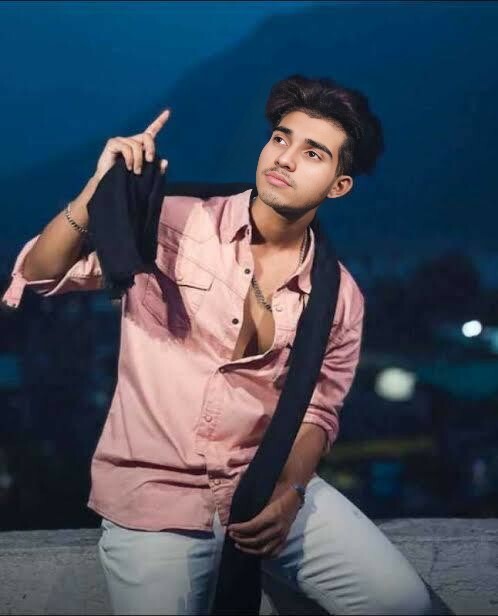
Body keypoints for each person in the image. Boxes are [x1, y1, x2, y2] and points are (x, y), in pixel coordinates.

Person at [1, 75, 432, 615]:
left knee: (403, 603)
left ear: (338, 186)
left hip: (263, 483)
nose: (285, 158)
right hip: (156, 495)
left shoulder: (338, 295)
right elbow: (40, 274)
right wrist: (96, 191)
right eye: (280, 138)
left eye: (312, 153)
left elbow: (318, 412)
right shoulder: (174, 222)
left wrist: (291, 493)